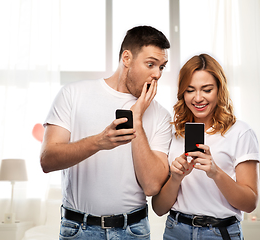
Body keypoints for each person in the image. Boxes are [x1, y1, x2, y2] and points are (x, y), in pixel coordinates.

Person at [40, 26, 172, 240]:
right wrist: (99, 142)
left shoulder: (160, 115)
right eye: (150, 64)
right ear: (126, 58)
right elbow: (47, 161)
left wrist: (136, 117)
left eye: (162, 67)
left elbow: (152, 186)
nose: (157, 74)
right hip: (79, 229)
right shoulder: (73, 94)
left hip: (133, 230)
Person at [152, 53, 260, 240]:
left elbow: (249, 203)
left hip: (220, 233)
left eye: (207, 89)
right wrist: (176, 178)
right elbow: (159, 208)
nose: (198, 98)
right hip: (176, 231)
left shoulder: (240, 132)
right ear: (182, 93)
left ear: (219, 89)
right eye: (190, 90)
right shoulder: (175, 136)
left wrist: (215, 172)